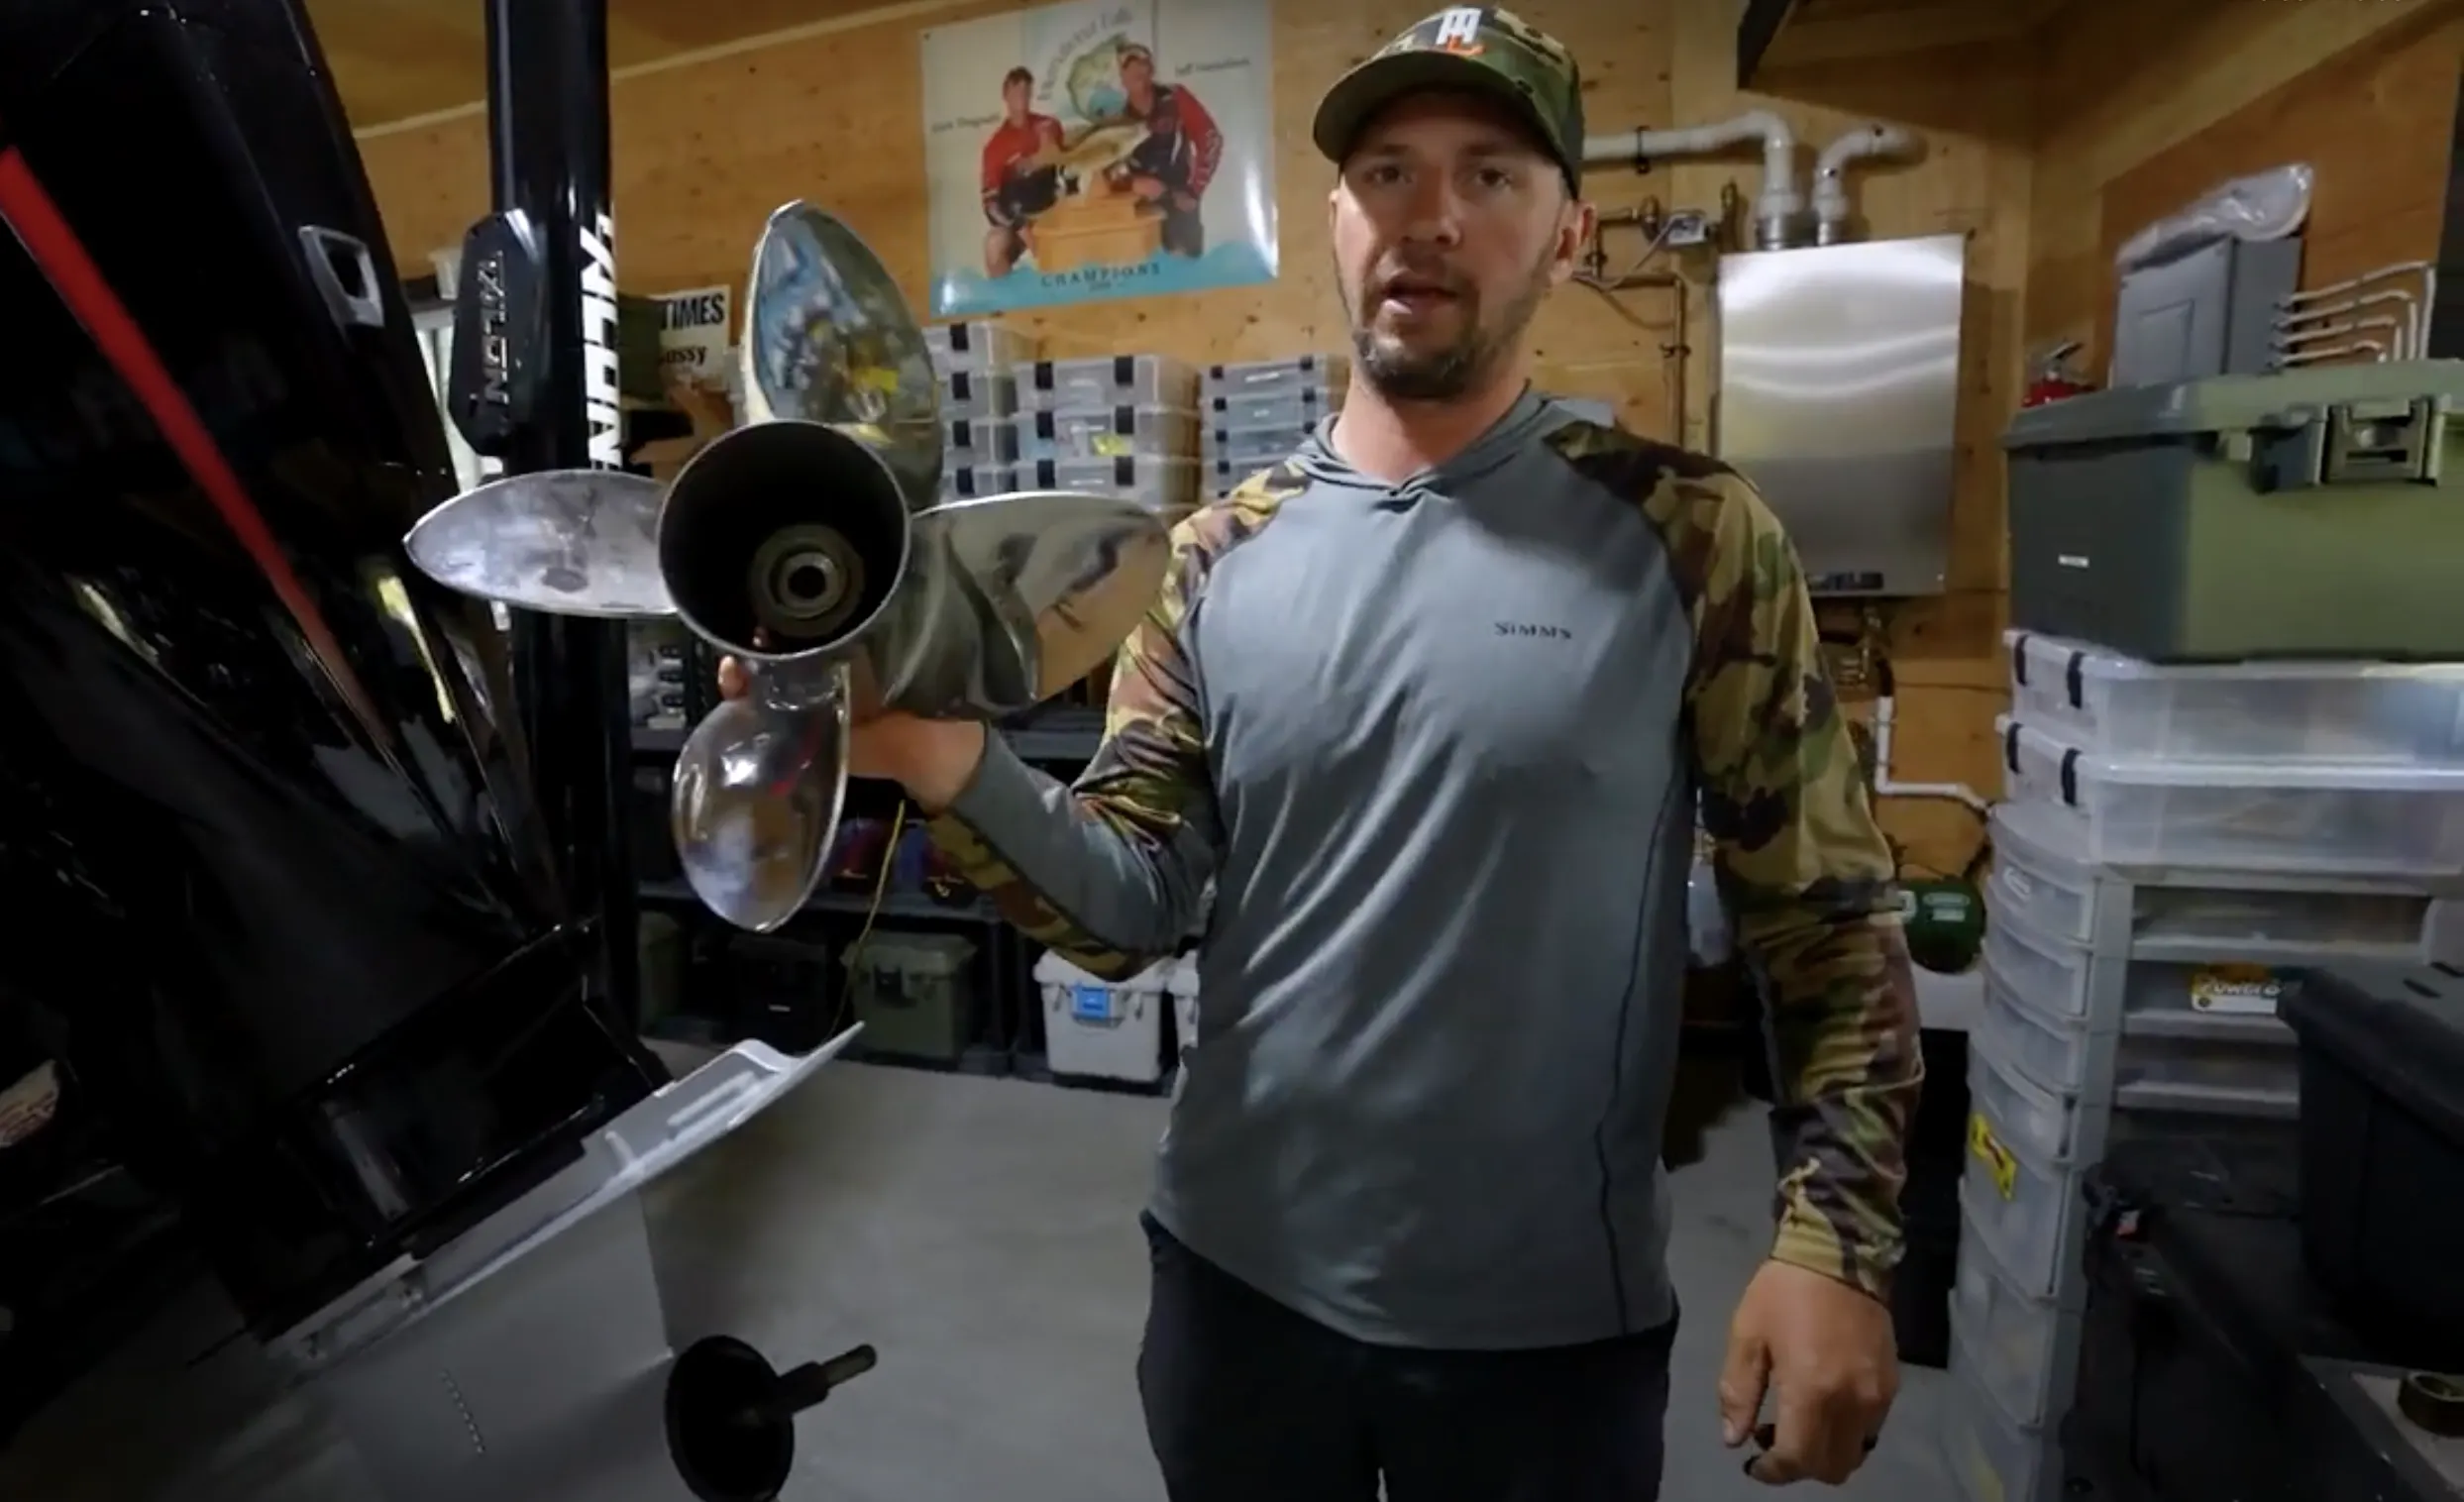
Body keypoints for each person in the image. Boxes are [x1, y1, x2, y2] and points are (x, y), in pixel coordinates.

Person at [721, 8, 1920, 1498]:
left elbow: (1822, 914)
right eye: (1387, 172)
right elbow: (1131, 905)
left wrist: (1835, 1239)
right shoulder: (1213, 557)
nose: (1431, 215)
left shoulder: (1690, 537)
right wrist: (930, 749)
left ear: (1567, 235)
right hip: (1235, 1295)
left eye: (1490, 175)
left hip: (1540, 1339)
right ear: (1337, 222)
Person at [1112, 42, 1219, 259]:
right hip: (1138, 210)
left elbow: (1210, 139)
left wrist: (1194, 190)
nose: (1136, 72)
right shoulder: (1116, 118)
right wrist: (1133, 182)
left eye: (1142, 65)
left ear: (1151, 70)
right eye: (1129, 68)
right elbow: (1108, 169)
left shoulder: (1176, 97)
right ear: (1122, 78)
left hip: (1181, 203)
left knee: (1186, 268)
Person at [979, 65, 1063, 276]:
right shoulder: (995, 146)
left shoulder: (1048, 125)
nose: (1021, 96)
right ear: (1005, 95)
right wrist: (1021, 227)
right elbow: (990, 204)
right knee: (993, 245)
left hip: (1054, 208)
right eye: (1015, 90)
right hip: (1020, 219)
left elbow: (1065, 160)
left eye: (1026, 90)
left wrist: (1042, 154)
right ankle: (1007, 296)